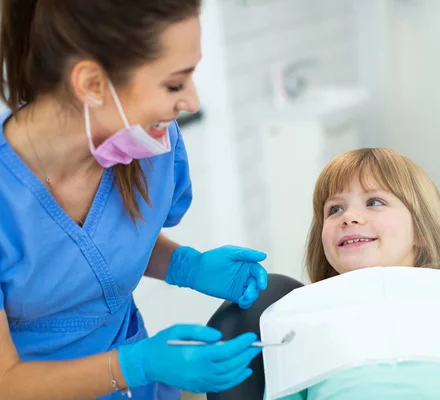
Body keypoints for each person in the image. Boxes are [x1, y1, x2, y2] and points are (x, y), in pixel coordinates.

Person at [0, 1, 268, 399]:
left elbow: (99, 251)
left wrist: (187, 266)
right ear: (92, 84)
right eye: (175, 84)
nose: (192, 101)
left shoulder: (152, 148)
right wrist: (134, 364)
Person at [273, 148, 440, 399]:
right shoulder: (300, 315)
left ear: (420, 230)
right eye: (334, 209)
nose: (349, 217)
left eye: (374, 202)